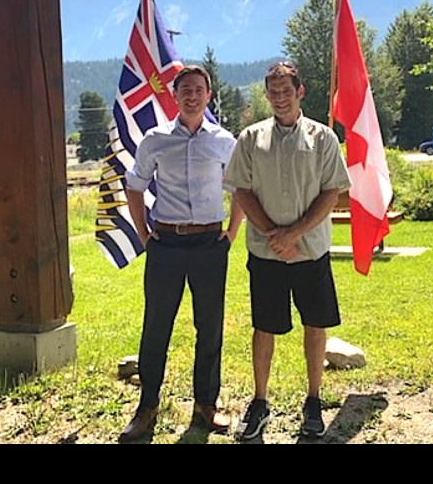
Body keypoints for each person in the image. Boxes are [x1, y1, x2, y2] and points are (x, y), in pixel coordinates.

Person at [223, 61, 352, 441]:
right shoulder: (249, 139)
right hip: (266, 255)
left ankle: (313, 400)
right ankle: (260, 400)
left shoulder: (323, 138)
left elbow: (332, 192)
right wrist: (272, 235)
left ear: (300, 92)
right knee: (265, 327)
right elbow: (241, 190)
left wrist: (294, 233)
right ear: (267, 96)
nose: (280, 98)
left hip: (310, 251)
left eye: (286, 91)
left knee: (316, 324)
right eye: (273, 92)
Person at [119, 64, 245, 443]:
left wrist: (232, 233)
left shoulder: (224, 141)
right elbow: (135, 186)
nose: (192, 95)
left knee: (209, 326)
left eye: (199, 89)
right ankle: (147, 406)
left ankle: (206, 405)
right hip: (166, 246)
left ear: (209, 96)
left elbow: (241, 187)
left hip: (210, 245)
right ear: (175, 96)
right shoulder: (155, 140)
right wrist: (144, 235)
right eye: (185, 89)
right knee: (156, 326)